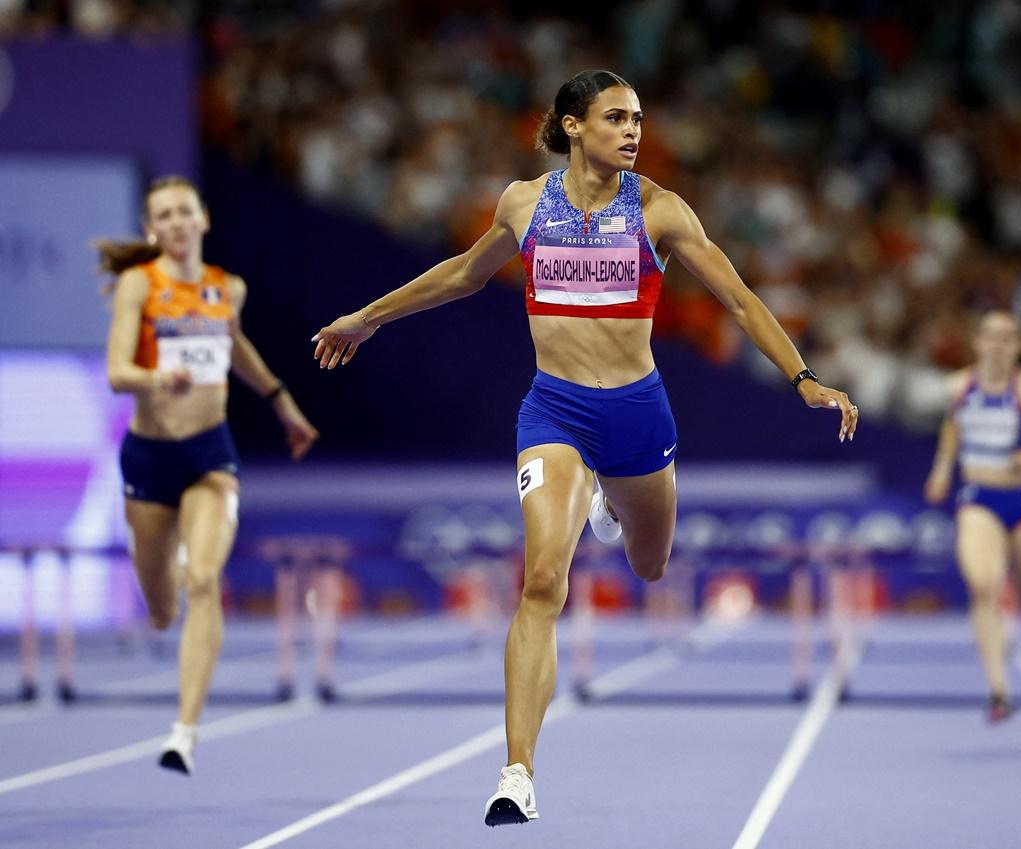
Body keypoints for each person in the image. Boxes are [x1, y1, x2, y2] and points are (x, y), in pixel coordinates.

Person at [311, 69, 858, 826]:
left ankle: (611, 502)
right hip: (555, 412)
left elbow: (737, 297)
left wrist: (803, 377)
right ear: (572, 125)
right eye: (615, 118)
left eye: (638, 119)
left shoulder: (660, 211)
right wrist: (368, 317)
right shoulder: (524, 202)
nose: (633, 131)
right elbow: (465, 275)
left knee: (650, 563)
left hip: (637, 415)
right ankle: (517, 771)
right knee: (542, 582)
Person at [100, 175, 319, 774]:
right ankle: (167, 575)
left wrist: (282, 401)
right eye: (162, 215)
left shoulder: (229, 289)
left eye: (182, 212)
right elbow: (118, 371)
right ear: (152, 229)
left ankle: (184, 732)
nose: (174, 223)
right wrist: (154, 379)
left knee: (203, 579)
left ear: (202, 220)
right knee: (163, 609)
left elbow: (234, 345)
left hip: (209, 456)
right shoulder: (138, 285)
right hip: (149, 459)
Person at [924, 310, 1021, 722]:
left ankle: (1019, 620)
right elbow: (953, 426)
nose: (998, 345)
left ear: (1018, 346)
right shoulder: (958, 386)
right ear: (977, 342)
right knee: (983, 585)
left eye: (1007, 338)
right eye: (990, 337)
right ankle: (999, 691)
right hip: (979, 498)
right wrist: (942, 467)